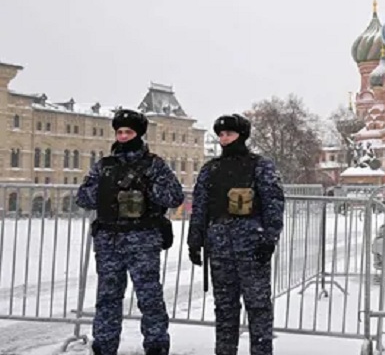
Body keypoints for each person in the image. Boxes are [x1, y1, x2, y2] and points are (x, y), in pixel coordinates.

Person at [76, 108, 184, 355]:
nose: (123, 136)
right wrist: (106, 191)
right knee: (108, 298)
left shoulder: (154, 165)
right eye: (119, 132)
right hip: (109, 240)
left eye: (129, 132)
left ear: (139, 134)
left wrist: (147, 189)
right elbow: (83, 197)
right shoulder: (104, 166)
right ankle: (104, 346)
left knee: (149, 297)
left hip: (142, 239)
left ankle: (156, 346)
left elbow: (174, 196)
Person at [187, 113, 285, 355]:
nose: (224, 139)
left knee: (258, 306)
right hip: (219, 246)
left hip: (252, 246)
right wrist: (195, 240)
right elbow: (200, 206)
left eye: (229, 134)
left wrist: (269, 238)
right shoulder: (211, 169)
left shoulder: (260, 166)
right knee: (225, 306)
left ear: (241, 135)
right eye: (220, 135)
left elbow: (274, 204)